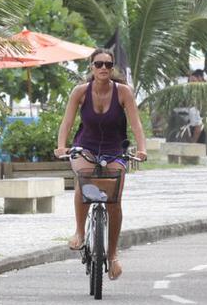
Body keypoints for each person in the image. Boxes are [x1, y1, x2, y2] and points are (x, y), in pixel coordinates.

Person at [54, 48, 147, 281]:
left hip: (115, 149)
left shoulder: (123, 92)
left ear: (112, 67)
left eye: (108, 64)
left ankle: (113, 255)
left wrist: (142, 148)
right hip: (85, 147)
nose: (103, 68)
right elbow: (66, 122)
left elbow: (136, 124)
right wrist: (61, 146)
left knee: (114, 199)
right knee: (84, 177)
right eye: (98, 64)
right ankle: (79, 231)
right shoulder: (80, 92)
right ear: (91, 67)